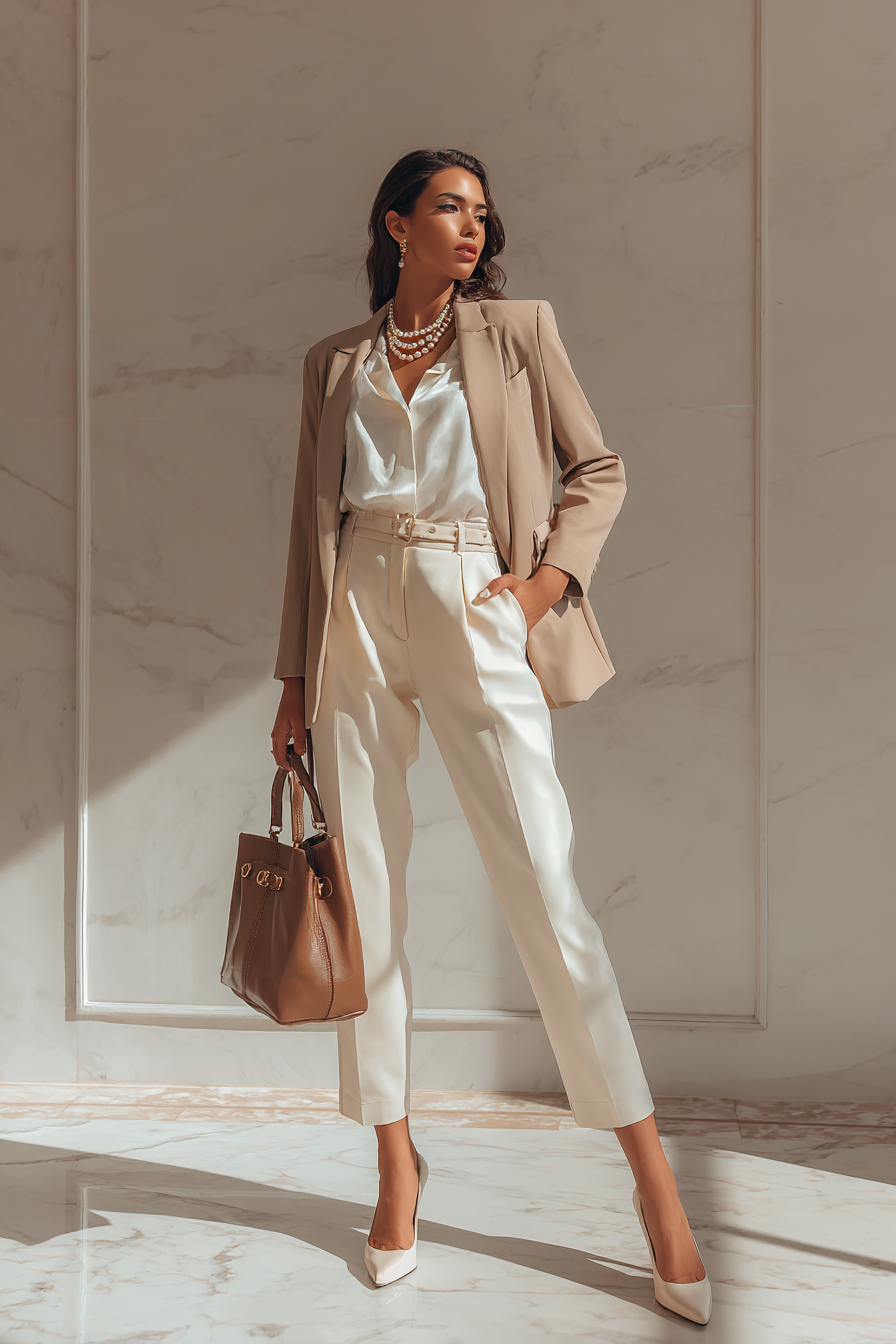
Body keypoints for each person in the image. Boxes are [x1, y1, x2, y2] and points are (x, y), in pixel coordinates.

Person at [270, 147, 711, 1324]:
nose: (472, 226)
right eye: (448, 208)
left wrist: (539, 586)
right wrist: (290, 678)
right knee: (367, 899)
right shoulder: (335, 364)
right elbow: (309, 530)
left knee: (547, 891)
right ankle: (394, 1167)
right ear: (396, 223)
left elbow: (596, 468)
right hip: (355, 616)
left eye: (480, 212)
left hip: (474, 599)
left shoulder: (515, 333)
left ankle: (655, 1190)